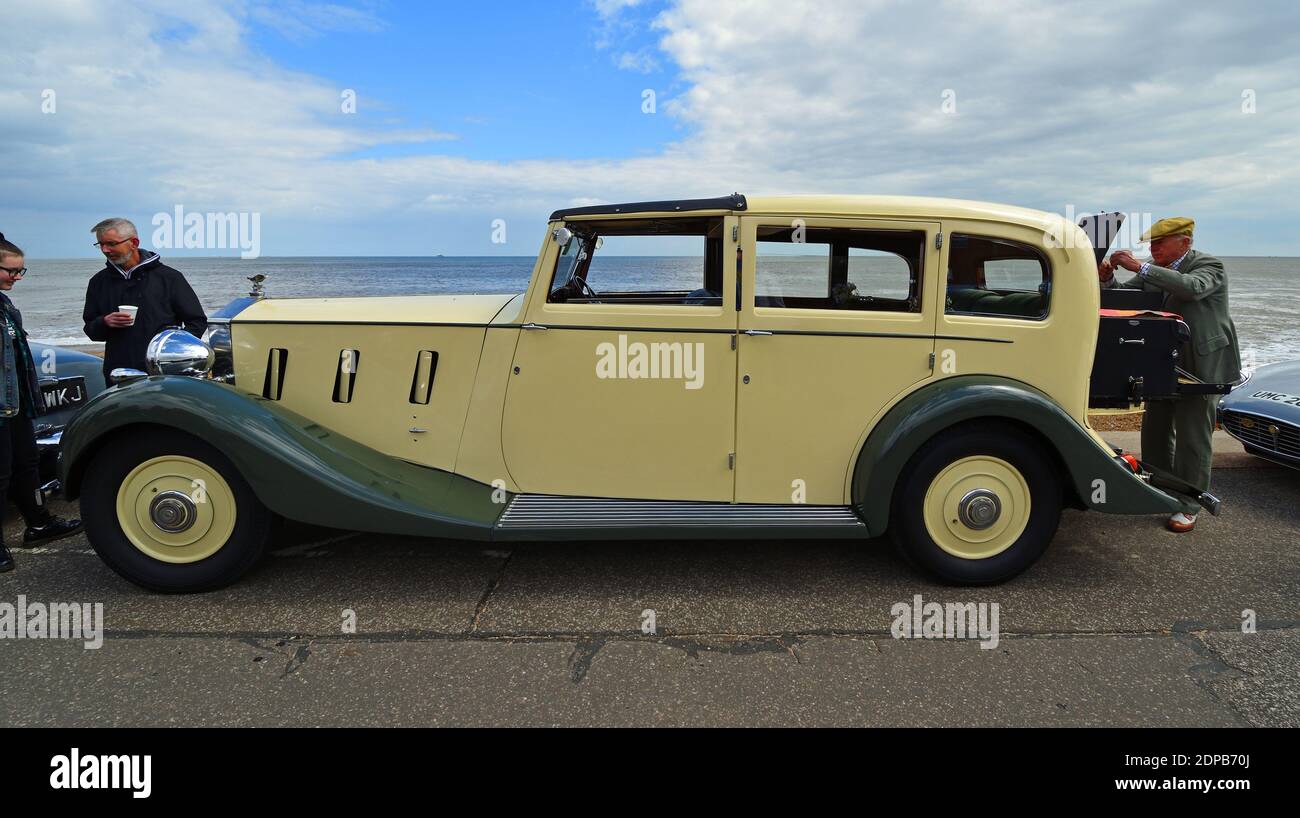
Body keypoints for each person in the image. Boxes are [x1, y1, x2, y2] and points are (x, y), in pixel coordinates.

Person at [1099, 217, 1241, 533]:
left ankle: (1190, 504)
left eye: (1160, 242)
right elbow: (1124, 297)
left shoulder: (1209, 265)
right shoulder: (1151, 268)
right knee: (1156, 428)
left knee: (1193, 435)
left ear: (1185, 242)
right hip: (1161, 360)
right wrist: (1107, 280)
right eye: (1151, 243)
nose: (1153, 248)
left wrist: (1140, 267)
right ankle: (1160, 491)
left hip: (1201, 363)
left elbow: (1192, 288)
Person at [0, 233, 84, 572]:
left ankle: (38, 523)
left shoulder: (5, 305)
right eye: (10, 271)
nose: (16, 278)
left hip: (14, 401)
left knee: (27, 461)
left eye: (21, 272)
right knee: (0, 472)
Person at [83, 218, 207, 378]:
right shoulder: (98, 282)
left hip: (163, 373)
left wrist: (173, 353)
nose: (105, 250)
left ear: (134, 242)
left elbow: (197, 322)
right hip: (118, 372)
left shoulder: (169, 278)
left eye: (111, 244)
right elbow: (91, 330)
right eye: (101, 244)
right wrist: (104, 322)